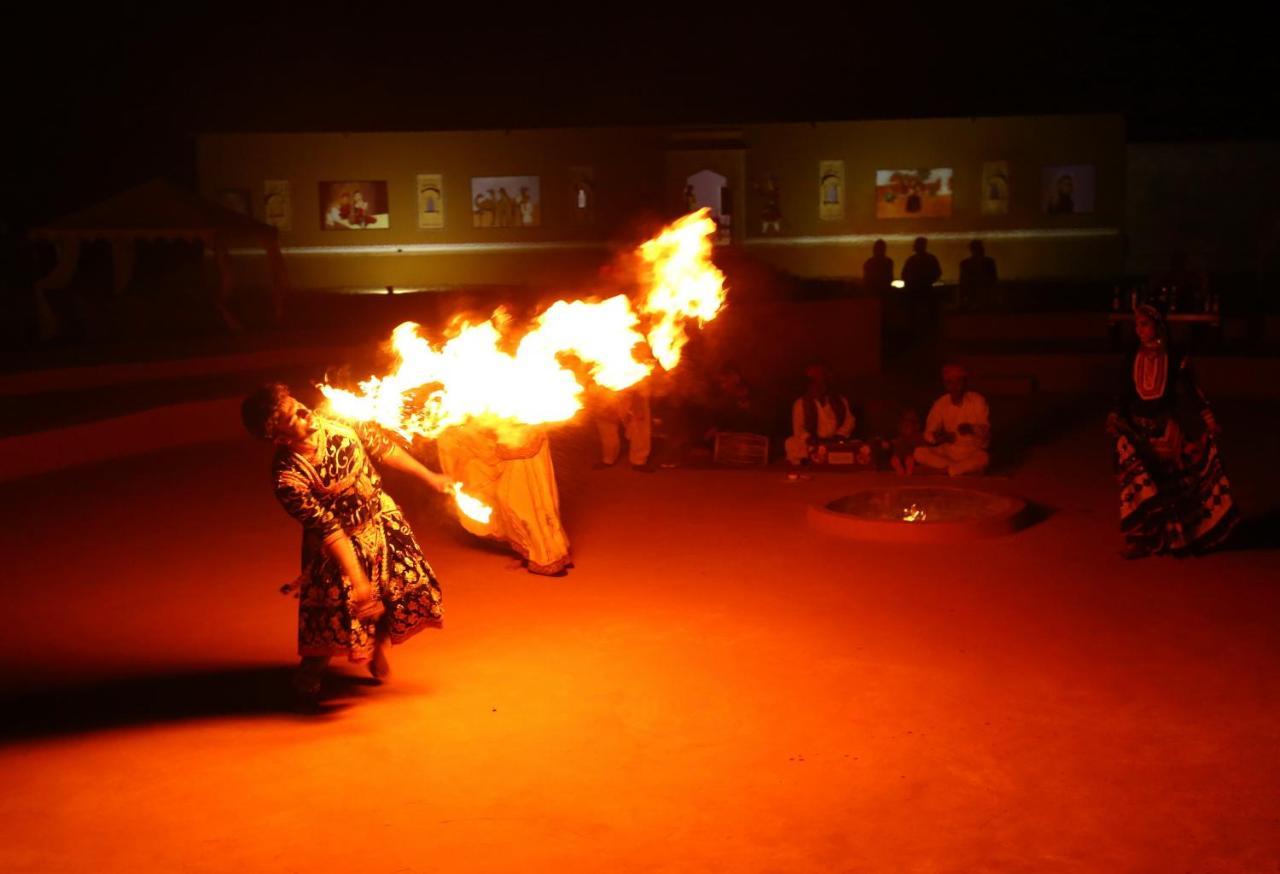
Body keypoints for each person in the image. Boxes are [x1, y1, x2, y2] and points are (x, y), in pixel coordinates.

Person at [240, 384, 448, 703]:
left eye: (294, 402)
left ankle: (380, 648)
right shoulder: (287, 477)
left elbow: (384, 448)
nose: (301, 410)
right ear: (280, 437)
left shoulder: (339, 415)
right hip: (335, 544)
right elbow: (329, 529)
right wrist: (358, 580)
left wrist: (429, 476)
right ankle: (312, 668)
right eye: (290, 415)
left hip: (380, 516)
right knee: (335, 612)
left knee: (398, 589)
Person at [1105, 301, 1238, 558]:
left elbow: (1192, 390)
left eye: (1144, 324)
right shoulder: (1132, 354)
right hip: (1136, 429)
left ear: (1158, 325)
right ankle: (1141, 541)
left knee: (1170, 488)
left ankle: (1176, 539)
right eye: (1136, 325)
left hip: (1166, 430)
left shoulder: (1175, 355)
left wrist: (1209, 420)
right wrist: (1115, 416)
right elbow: (1122, 391)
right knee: (1138, 487)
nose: (1138, 330)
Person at [435, 423, 573, 575]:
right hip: (505, 433)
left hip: (519, 438)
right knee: (515, 502)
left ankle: (547, 557)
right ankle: (535, 552)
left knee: (524, 502)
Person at [914, 364, 990, 476]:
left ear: (965, 383)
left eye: (958, 382)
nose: (954, 387)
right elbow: (928, 433)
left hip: (971, 451)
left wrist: (972, 428)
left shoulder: (978, 400)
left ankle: (946, 470)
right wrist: (940, 438)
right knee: (919, 453)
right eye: (950, 383)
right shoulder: (941, 403)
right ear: (946, 385)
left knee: (984, 458)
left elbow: (987, 433)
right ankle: (957, 470)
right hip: (948, 452)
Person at [785, 363, 855, 465]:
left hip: (835, 443)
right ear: (809, 384)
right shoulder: (800, 403)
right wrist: (811, 439)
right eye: (816, 381)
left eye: (822, 380)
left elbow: (849, 421)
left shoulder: (840, 401)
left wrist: (839, 435)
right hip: (813, 444)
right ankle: (807, 461)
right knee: (791, 443)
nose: (820, 384)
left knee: (856, 444)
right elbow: (799, 430)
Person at [592, 382, 654, 472]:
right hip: (603, 392)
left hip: (632, 390)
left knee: (639, 425)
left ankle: (639, 461)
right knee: (606, 425)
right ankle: (608, 458)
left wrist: (638, 397)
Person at [901, 236, 942, 336]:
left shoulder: (911, 260)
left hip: (916, 292)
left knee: (913, 314)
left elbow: (904, 275)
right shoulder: (930, 259)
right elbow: (937, 273)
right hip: (925, 290)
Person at [957, 240, 997, 310]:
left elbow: (963, 280)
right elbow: (994, 278)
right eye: (978, 248)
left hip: (982, 294)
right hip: (979, 294)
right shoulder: (989, 262)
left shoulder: (965, 263)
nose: (980, 250)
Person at [889, 408, 924, 476]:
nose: (907, 424)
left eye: (910, 421)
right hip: (900, 454)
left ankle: (908, 467)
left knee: (909, 458)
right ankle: (899, 465)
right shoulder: (899, 438)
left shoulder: (918, 437)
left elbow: (920, 446)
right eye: (905, 421)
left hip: (912, 454)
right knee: (896, 456)